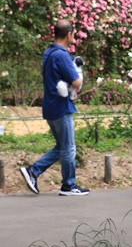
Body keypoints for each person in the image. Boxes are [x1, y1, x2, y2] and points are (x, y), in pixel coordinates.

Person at [19, 20, 90, 196]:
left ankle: (33, 171)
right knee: (69, 148)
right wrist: (79, 71)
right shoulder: (62, 55)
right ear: (68, 35)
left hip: (50, 106)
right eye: (73, 34)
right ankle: (68, 185)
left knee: (61, 147)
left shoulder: (48, 53)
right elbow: (76, 82)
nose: (74, 37)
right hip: (61, 107)